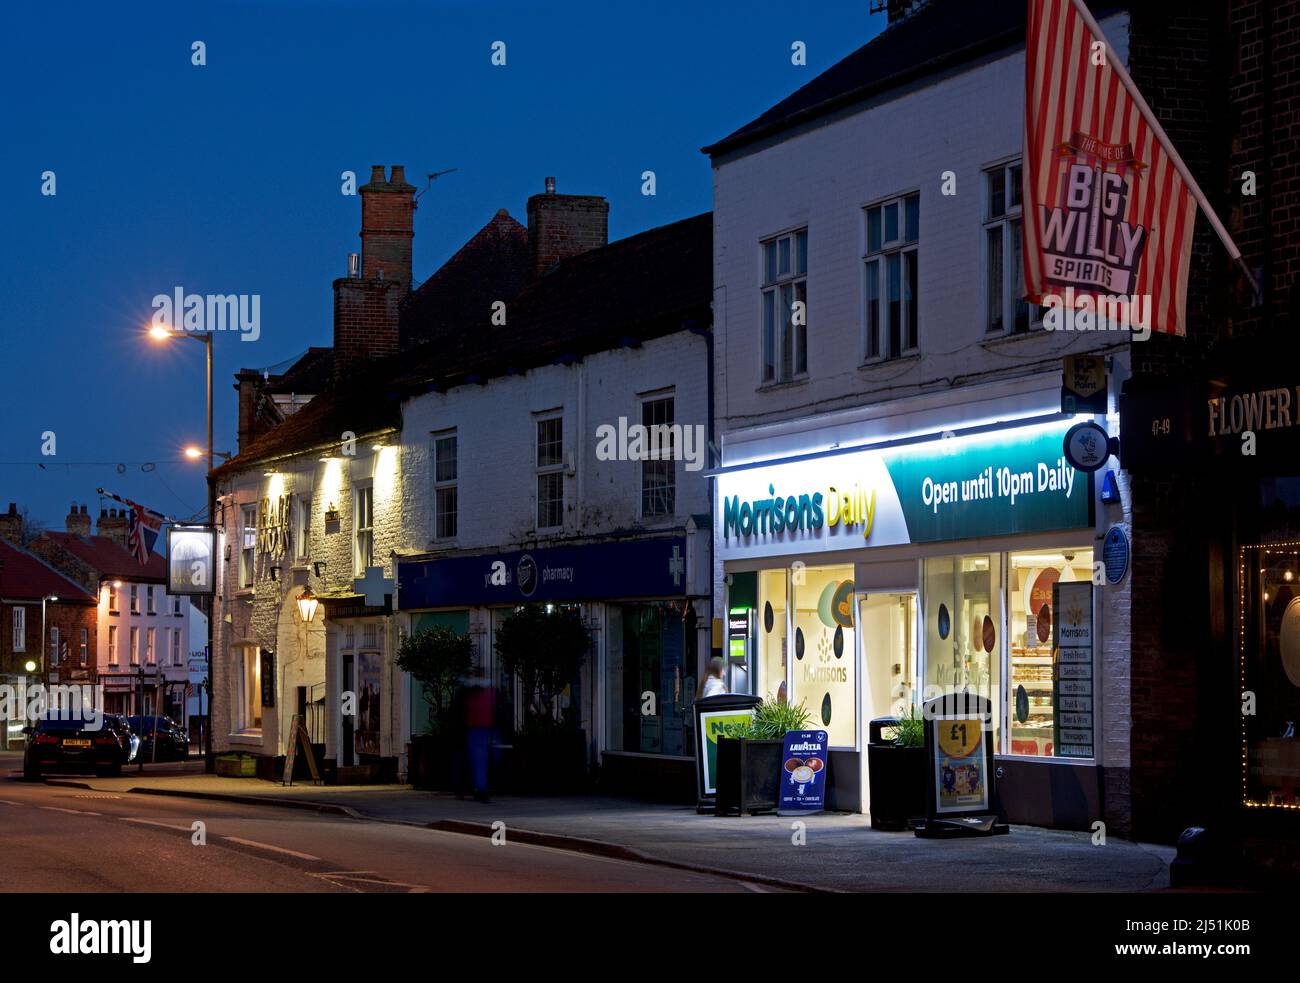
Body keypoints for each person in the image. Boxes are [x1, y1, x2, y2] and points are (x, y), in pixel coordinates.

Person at [463, 667, 495, 802]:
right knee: (480, 761)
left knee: (478, 761)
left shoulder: (472, 691)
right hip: (480, 729)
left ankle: (479, 787)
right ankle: (480, 788)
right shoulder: (486, 691)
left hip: (478, 729)